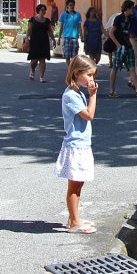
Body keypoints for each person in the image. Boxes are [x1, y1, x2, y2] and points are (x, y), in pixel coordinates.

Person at [55, 55, 99, 234]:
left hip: (81, 144)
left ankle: (74, 217)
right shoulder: (71, 95)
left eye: (93, 76)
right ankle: (74, 222)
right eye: (89, 75)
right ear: (76, 73)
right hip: (76, 145)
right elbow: (89, 115)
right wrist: (93, 96)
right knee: (75, 185)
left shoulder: (77, 93)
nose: (91, 79)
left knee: (78, 184)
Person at [107, 0, 137, 97]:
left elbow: (133, 29)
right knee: (115, 68)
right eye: (132, 8)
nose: (133, 10)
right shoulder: (118, 18)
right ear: (127, 8)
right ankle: (111, 91)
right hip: (120, 47)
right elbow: (111, 33)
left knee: (132, 67)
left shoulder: (131, 18)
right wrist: (118, 45)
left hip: (128, 46)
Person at [26, 4, 55, 83]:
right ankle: (32, 70)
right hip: (34, 41)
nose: (44, 11)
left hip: (44, 41)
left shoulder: (47, 21)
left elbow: (49, 31)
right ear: (38, 10)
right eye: (42, 10)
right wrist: (27, 39)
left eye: (45, 10)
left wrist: (53, 40)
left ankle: (42, 77)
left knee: (42, 59)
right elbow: (29, 30)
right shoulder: (33, 19)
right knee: (34, 60)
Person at [57, 0, 83, 65]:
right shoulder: (63, 15)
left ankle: (72, 69)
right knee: (67, 56)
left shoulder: (78, 15)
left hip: (74, 38)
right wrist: (59, 38)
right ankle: (69, 70)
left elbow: (79, 26)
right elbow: (61, 27)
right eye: (70, 5)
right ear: (67, 6)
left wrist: (82, 36)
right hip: (66, 37)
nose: (72, 6)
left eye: (73, 5)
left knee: (74, 56)